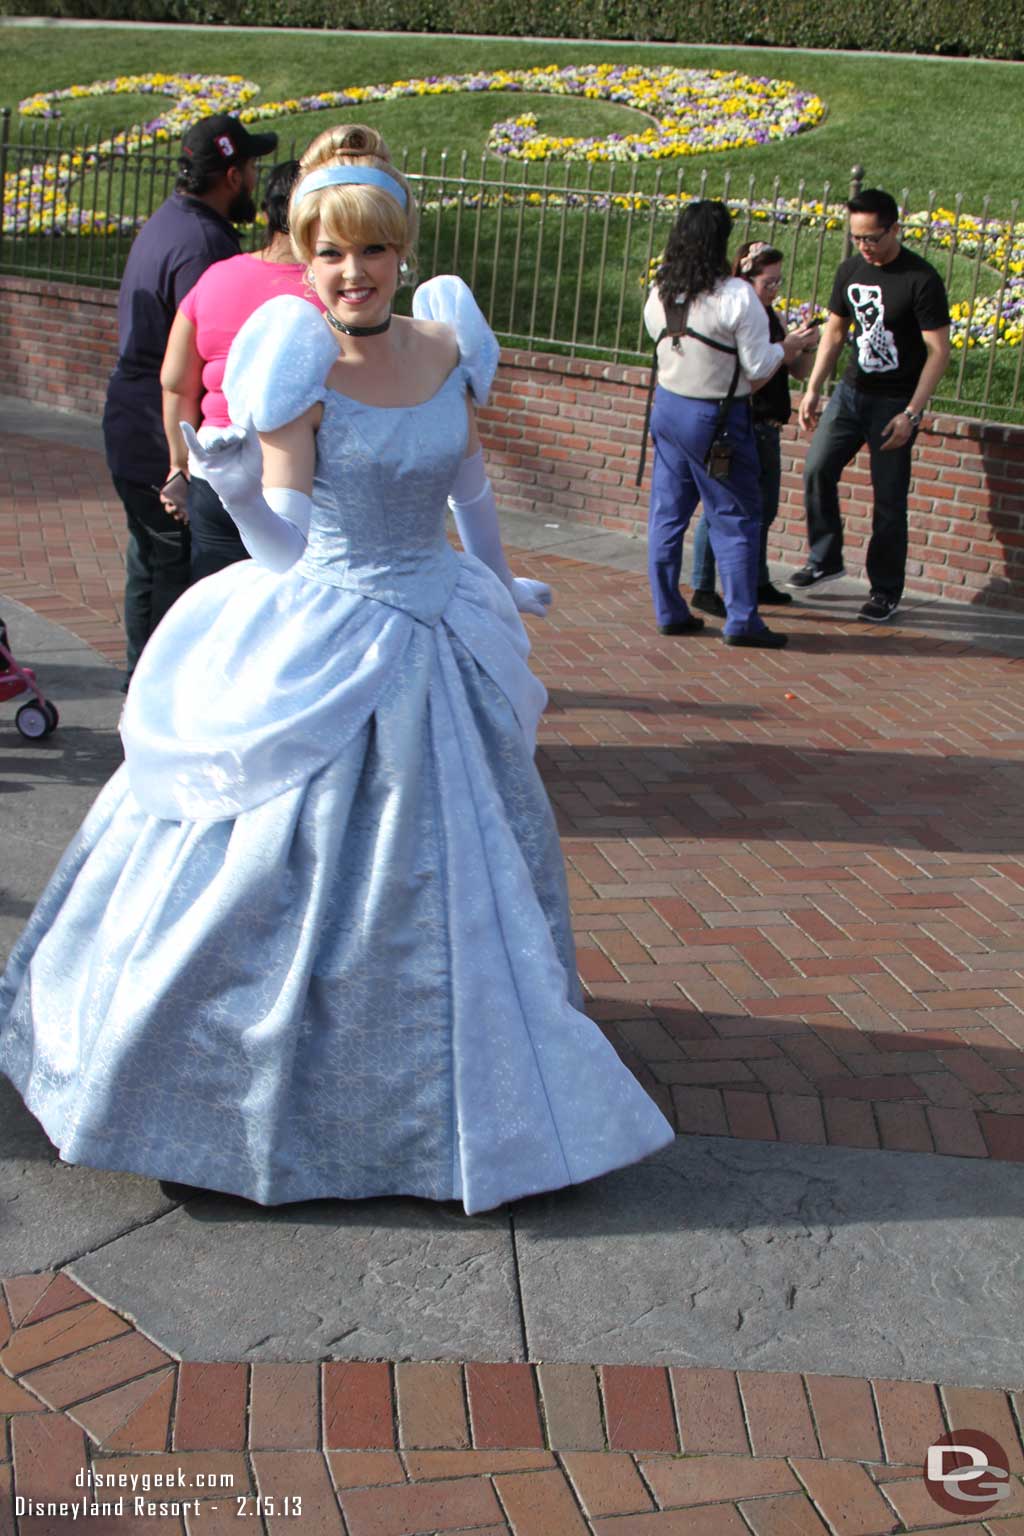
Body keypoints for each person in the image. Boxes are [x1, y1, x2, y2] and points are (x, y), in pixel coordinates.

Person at [0, 124, 673, 1215]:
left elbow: (468, 487)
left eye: (369, 252)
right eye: (327, 254)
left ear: (401, 252)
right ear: (303, 258)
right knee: (270, 864)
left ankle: (466, 1076)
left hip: (436, 619)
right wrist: (231, 482)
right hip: (328, 626)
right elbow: (285, 548)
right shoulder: (296, 359)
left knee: (469, 861)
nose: (350, 272)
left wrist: (498, 583)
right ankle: (214, 1083)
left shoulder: (447, 343)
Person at [103, 113, 277, 682]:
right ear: (232, 175)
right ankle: (152, 707)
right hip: (160, 431)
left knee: (150, 567)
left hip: (133, 421)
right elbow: (202, 364)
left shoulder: (172, 220)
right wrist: (184, 466)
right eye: (251, 167)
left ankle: (140, 694)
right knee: (171, 582)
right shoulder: (205, 245)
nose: (254, 178)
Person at [643, 201, 814, 649]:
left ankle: (668, 609)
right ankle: (741, 620)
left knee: (667, 514)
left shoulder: (662, 289)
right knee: (736, 515)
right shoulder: (735, 295)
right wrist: (790, 346)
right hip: (717, 417)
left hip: (667, 408)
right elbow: (758, 369)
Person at [789, 188, 951, 622]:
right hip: (850, 393)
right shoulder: (850, 270)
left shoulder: (921, 279)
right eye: (858, 237)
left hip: (895, 402)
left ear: (895, 229)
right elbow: (835, 333)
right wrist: (814, 388)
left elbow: (939, 352)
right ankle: (825, 557)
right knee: (817, 467)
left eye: (873, 237)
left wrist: (912, 412)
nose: (865, 246)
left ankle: (885, 590)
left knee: (889, 499)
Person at [161, 160, 326, 581]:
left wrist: (179, 465)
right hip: (295, 478)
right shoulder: (334, 296)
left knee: (219, 611)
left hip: (214, 469)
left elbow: (176, 382)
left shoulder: (216, 277)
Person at [689, 241, 818, 617]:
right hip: (743, 423)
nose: (775, 290)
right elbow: (751, 374)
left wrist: (803, 344)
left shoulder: (770, 317)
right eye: (768, 282)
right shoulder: (740, 318)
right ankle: (702, 584)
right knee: (724, 506)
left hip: (770, 426)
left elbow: (797, 371)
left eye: (779, 282)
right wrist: (784, 347)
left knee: (764, 509)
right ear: (746, 281)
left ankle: (757, 579)